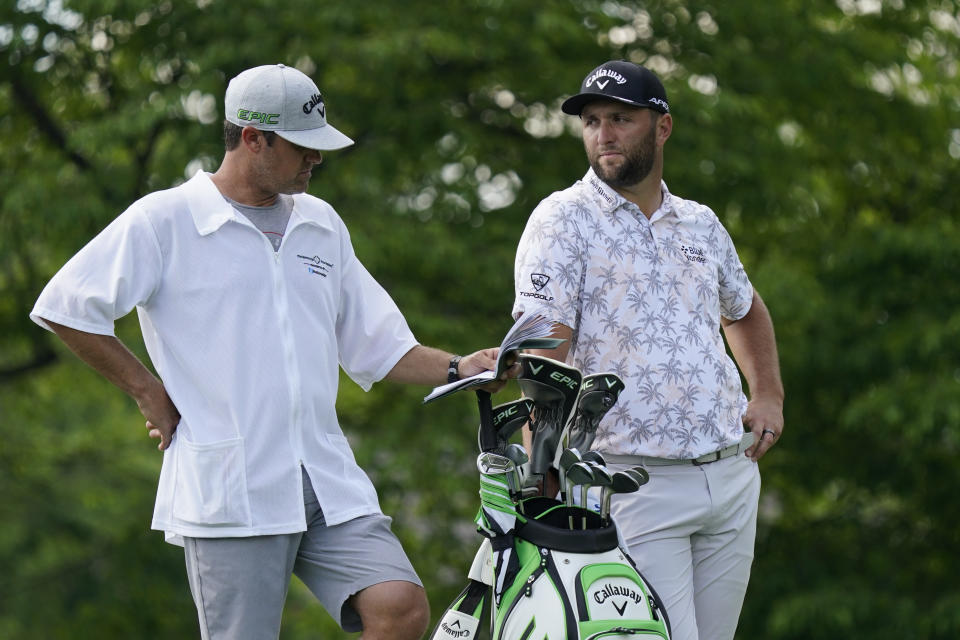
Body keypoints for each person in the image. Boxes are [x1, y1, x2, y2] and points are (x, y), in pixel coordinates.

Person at [31, 63, 509, 640]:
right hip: (235, 488)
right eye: (303, 146)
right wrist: (147, 392)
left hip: (325, 478)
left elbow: (376, 342)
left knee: (399, 607)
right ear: (253, 139)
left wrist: (461, 368)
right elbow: (65, 306)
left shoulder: (321, 223)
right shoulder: (166, 220)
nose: (317, 159)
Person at [512, 60, 784, 640]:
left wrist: (768, 395)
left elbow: (743, 308)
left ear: (661, 128)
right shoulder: (561, 220)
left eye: (620, 119)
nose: (603, 134)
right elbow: (545, 354)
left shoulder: (700, 224)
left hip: (730, 474)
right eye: (591, 121)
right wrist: (541, 469)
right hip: (631, 484)